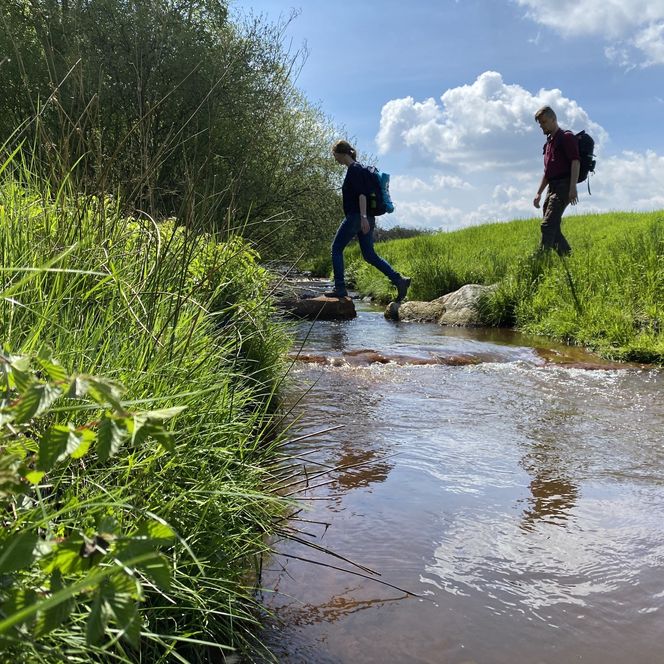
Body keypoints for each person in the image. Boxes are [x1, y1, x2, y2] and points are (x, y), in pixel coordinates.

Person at [327, 140, 411, 300]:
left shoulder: (354, 170)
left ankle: (340, 288)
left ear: (341, 153)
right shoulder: (359, 169)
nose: (334, 158)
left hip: (358, 217)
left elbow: (362, 194)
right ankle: (399, 280)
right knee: (369, 255)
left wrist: (363, 217)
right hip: (366, 217)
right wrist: (366, 218)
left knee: (336, 248)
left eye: (334, 154)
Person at [533, 106, 580, 256]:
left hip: (564, 185)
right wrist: (539, 193)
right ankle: (569, 259)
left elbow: (575, 161)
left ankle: (540, 260)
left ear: (554, 119)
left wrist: (572, 187)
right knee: (553, 227)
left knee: (547, 226)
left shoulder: (566, 137)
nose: (542, 126)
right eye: (540, 123)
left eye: (544, 122)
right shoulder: (548, 144)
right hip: (551, 187)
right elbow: (547, 172)